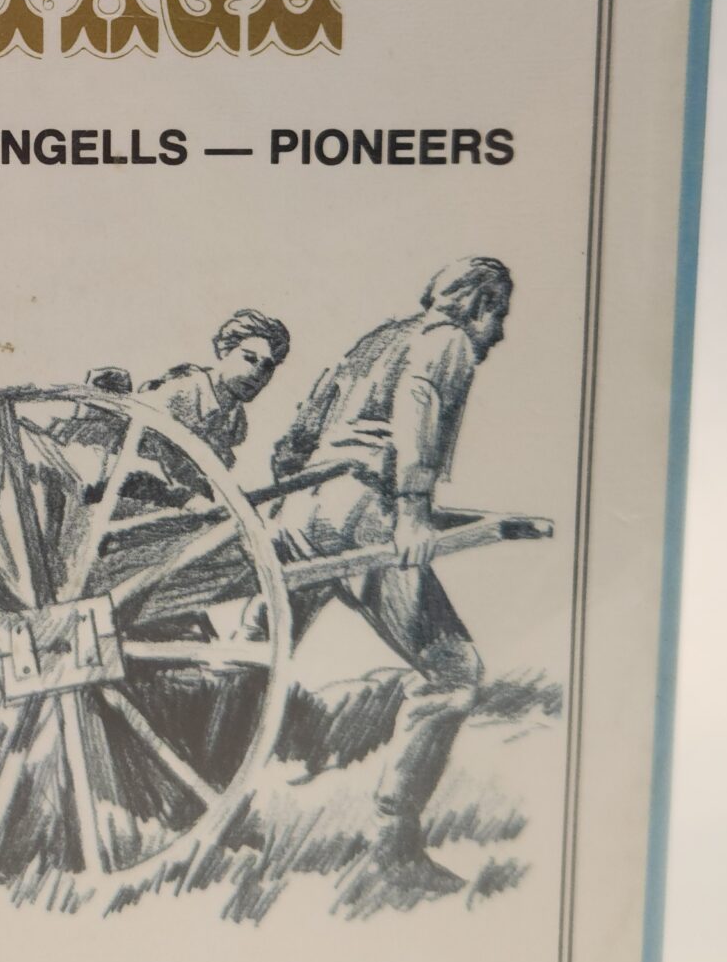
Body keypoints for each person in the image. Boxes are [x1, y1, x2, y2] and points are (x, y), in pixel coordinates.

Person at [268, 257, 514, 906]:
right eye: (498, 316)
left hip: (298, 511)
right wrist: (410, 509)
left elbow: (298, 433)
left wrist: (290, 498)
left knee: (254, 660)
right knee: (454, 671)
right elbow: (418, 409)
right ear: (478, 306)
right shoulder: (447, 340)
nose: (499, 333)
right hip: (361, 512)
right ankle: (394, 846)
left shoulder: (378, 337)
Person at [143, 308, 290, 470]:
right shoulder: (179, 393)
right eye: (249, 358)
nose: (257, 374)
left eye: (267, 367)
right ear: (225, 352)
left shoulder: (236, 426)